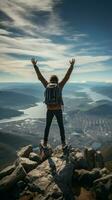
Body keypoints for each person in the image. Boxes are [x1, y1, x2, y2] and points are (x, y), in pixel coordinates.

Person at [31, 58, 75, 150]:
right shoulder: (60, 85)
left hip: (49, 109)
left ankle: (45, 143)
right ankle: (63, 143)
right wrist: (71, 65)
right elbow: (67, 77)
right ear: (57, 80)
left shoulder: (46, 84)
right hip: (58, 109)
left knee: (47, 126)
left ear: (50, 80)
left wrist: (35, 65)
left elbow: (40, 77)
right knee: (61, 126)